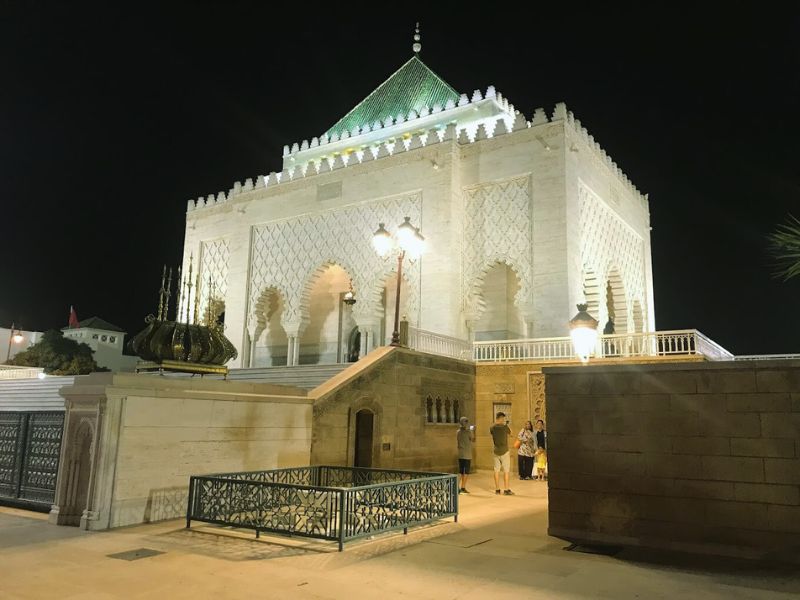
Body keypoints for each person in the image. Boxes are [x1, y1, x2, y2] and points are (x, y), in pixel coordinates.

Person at [489, 412, 514, 495]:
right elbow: (511, 434)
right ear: (500, 418)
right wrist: (507, 425)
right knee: (506, 471)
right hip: (504, 451)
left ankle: (497, 489)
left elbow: (492, 432)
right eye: (503, 419)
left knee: (496, 470)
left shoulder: (492, 427)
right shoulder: (504, 427)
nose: (503, 420)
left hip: (496, 451)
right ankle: (506, 489)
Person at [456, 416, 474, 493]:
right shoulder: (468, 432)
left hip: (461, 454)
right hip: (467, 454)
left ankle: (457, 487)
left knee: (460, 471)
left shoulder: (458, 432)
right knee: (466, 472)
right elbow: (472, 439)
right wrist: (472, 431)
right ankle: (463, 487)